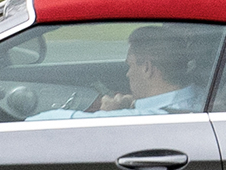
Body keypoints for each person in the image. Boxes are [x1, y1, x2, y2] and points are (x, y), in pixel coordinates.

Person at [30, 24, 216, 119]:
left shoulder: (141, 118)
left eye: (130, 65)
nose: (127, 74)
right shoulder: (206, 99)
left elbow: (38, 123)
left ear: (147, 67)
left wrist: (105, 113)